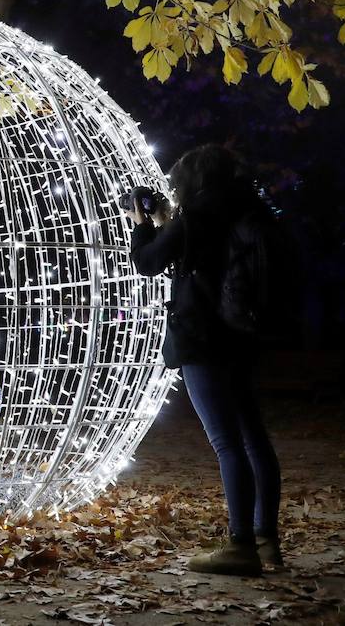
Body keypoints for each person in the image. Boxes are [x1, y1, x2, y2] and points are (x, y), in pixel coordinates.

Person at [129, 144, 282, 577]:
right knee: (253, 438)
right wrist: (166, 222)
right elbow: (194, 254)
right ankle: (266, 538)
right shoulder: (241, 212)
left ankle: (240, 546)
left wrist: (141, 224)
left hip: (202, 339)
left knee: (226, 443)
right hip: (241, 337)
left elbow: (148, 261)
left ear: (193, 182)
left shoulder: (196, 216)